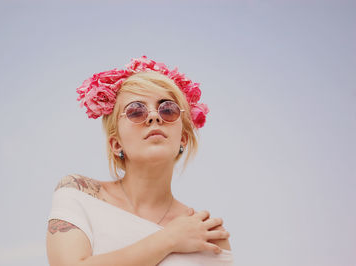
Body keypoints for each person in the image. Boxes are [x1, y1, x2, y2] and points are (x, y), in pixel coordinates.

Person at [46, 56, 233, 265]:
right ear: (116, 144)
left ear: (183, 138)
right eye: (136, 111)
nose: (154, 117)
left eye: (168, 109)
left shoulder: (205, 233)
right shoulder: (80, 193)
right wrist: (169, 239)